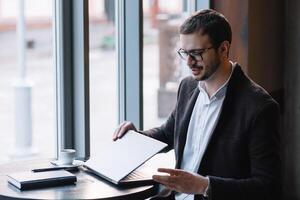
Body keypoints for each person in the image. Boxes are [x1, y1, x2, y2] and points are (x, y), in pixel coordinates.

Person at [113, 9, 281, 200]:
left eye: (197, 53)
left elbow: (268, 186)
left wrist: (205, 186)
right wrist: (136, 137)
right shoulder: (187, 86)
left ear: (223, 49)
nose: (189, 62)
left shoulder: (259, 107)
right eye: (185, 53)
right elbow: (168, 132)